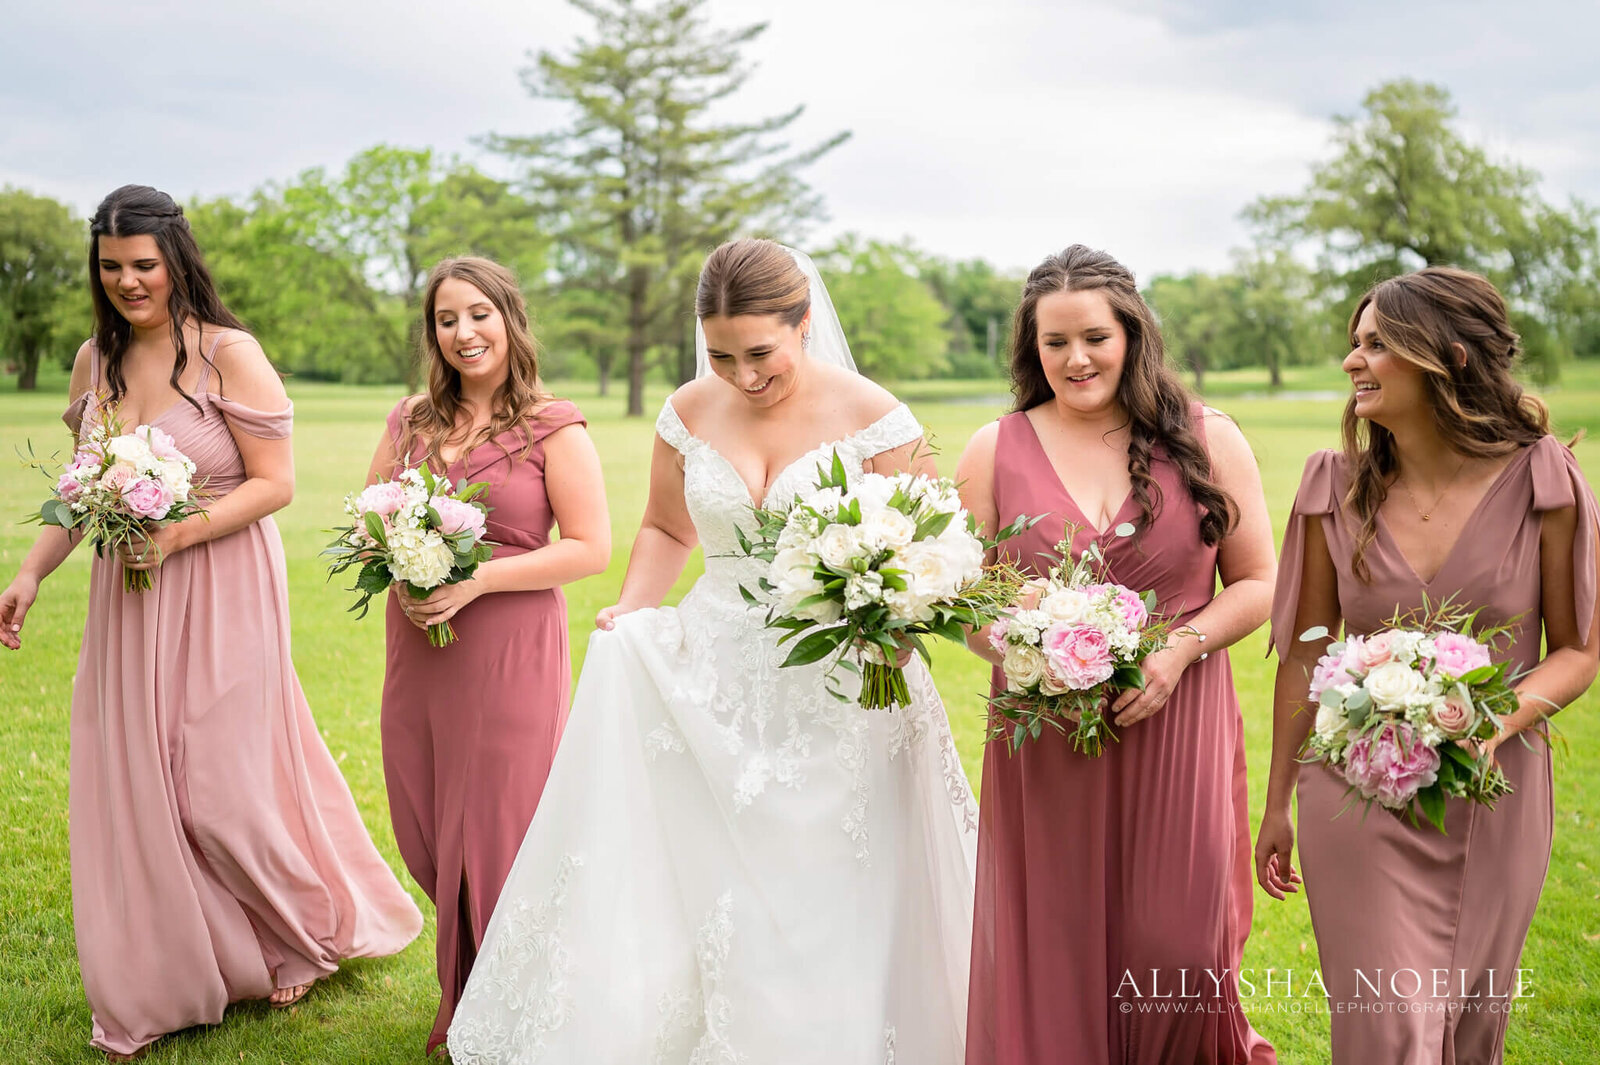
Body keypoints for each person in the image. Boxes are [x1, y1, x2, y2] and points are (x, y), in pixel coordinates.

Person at [446, 238, 978, 1064]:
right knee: (718, 867)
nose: (743, 375)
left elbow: (933, 547)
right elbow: (666, 527)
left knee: (830, 870)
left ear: (803, 324)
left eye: (761, 353)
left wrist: (896, 626)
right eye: (722, 354)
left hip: (847, 671)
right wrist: (629, 611)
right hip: (715, 664)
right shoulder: (691, 409)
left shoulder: (875, 415)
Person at [0, 184, 422, 1061]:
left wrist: (181, 532)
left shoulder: (228, 353)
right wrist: (32, 572)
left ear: (176, 259)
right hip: (132, 600)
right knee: (145, 782)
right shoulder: (94, 363)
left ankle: (304, 928)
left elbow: (277, 484)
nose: (128, 282)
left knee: (222, 779)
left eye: (143, 264)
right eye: (111, 267)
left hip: (224, 579)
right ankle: (188, 964)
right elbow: (80, 493)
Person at [1255, 266, 1599, 1063]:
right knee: (1388, 1028)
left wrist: (1491, 722)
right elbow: (1306, 652)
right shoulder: (1330, 486)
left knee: (1467, 1032)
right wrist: (1277, 802)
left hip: (1493, 796)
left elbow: (1578, 651)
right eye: (1354, 342)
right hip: (1354, 796)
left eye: (1377, 344)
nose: (1352, 361)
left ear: (1448, 358)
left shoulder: (1544, 481)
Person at [957, 245, 1278, 1064]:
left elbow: (1258, 583)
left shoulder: (1210, 437)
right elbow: (971, 607)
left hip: (1180, 722)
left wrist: (1175, 651)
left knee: (1180, 944)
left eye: (1094, 336)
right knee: (1056, 947)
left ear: (1133, 334)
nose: (1075, 359)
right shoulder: (994, 450)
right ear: (1031, 348)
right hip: (1048, 739)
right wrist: (1027, 649)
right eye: (1053, 342)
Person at [368, 256, 610, 1054]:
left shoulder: (554, 423)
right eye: (446, 320)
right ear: (432, 333)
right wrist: (397, 559)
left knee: (502, 825)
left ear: (510, 318)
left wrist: (475, 583)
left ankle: (509, 1007)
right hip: (421, 643)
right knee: (425, 819)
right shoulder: (410, 419)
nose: (464, 332)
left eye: (479, 314)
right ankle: (471, 981)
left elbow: (589, 548)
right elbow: (366, 515)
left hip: (508, 643)